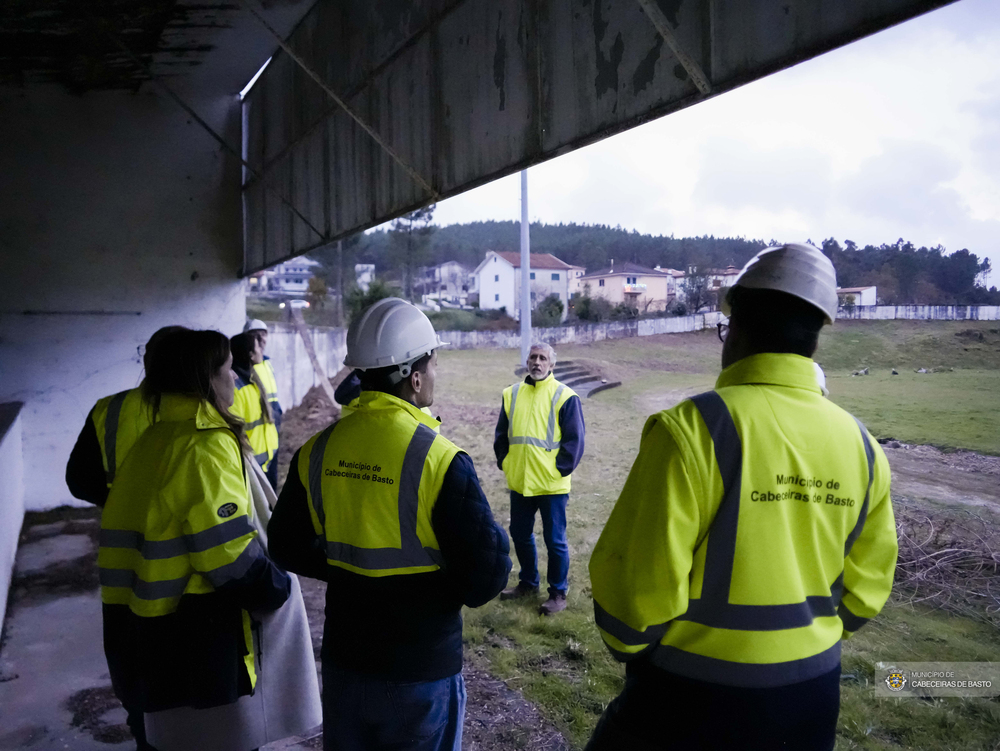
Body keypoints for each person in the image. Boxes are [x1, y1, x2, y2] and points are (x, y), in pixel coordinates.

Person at [586, 244, 898, 751]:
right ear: (814, 339)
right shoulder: (861, 445)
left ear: (739, 327)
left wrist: (632, 643)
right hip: (810, 702)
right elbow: (866, 591)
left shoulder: (691, 429)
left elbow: (633, 595)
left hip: (688, 703)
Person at [268, 297, 511, 751]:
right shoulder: (439, 460)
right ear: (414, 377)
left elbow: (284, 545)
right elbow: (486, 578)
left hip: (345, 664)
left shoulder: (315, 452)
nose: (436, 375)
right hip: (419, 669)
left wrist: (347, 565)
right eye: (434, 364)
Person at [97, 329, 298, 750]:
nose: (235, 381)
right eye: (228, 371)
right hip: (194, 641)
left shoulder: (154, 439)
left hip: (140, 628)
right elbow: (228, 560)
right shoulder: (202, 447)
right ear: (207, 379)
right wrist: (278, 587)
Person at [494, 342, 585, 616]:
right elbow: (502, 435)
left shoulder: (565, 396)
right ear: (527, 361)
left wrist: (559, 470)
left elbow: (575, 440)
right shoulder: (512, 394)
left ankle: (558, 593)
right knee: (520, 535)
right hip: (521, 481)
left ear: (551, 365)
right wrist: (506, 462)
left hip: (551, 485)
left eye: (542, 358)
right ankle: (528, 584)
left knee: (554, 540)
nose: (536, 362)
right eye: (532, 357)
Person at [66, 325, 188, 507]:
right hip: (190, 528)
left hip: (123, 526)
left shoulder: (109, 408)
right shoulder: (209, 407)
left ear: (147, 360)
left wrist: (119, 506)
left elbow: (79, 482)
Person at [230, 332, 280, 488]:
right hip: (253, 467)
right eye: (258, 346)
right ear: (250, 354)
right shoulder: (236, 388)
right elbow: (236, 431)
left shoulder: (253, 379)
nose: (261, 350)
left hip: (267, 458)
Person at [244, 319, 282, 431]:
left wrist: (278, 412)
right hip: (257, 424)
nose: (261, 339)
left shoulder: (267, 363)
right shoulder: (245, 366)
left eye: (263, 334)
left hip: (273, 418)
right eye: (255, 335)